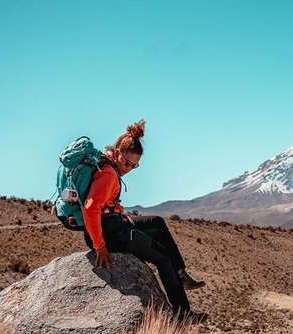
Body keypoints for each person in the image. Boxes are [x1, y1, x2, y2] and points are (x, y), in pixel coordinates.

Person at [82, 119, 206, 320]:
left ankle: (181, 275)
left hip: (113, 224)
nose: (128, 168)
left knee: (157, 222)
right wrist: (100, 246)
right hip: (111, 234)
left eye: (134, 166)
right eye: (127, 162)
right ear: (118, 152)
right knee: (163, 258)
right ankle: (183, 314)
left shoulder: (108, 164)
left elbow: (102, 204)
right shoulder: (108, 174)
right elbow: (90, 209)